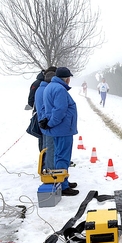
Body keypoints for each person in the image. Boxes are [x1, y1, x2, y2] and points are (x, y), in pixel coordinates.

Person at [39, 67, 79, 196]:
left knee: (58, 155)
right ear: (66, 79)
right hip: (62, 129)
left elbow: (46, 108)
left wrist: (48, 122)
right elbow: (59, 110)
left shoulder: (50, 87)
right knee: (62, 156)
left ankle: (62, 180)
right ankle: (63, 185)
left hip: (58, 129)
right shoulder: (60, 89)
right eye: (69, 78)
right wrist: (50, 123)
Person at [27, 70, 45, 151]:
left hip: (39, 110)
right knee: (41, 135)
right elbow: (31, 97)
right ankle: (43, 155)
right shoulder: (37, 83)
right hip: (38, 111)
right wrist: (33, 106)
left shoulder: (42, 83)